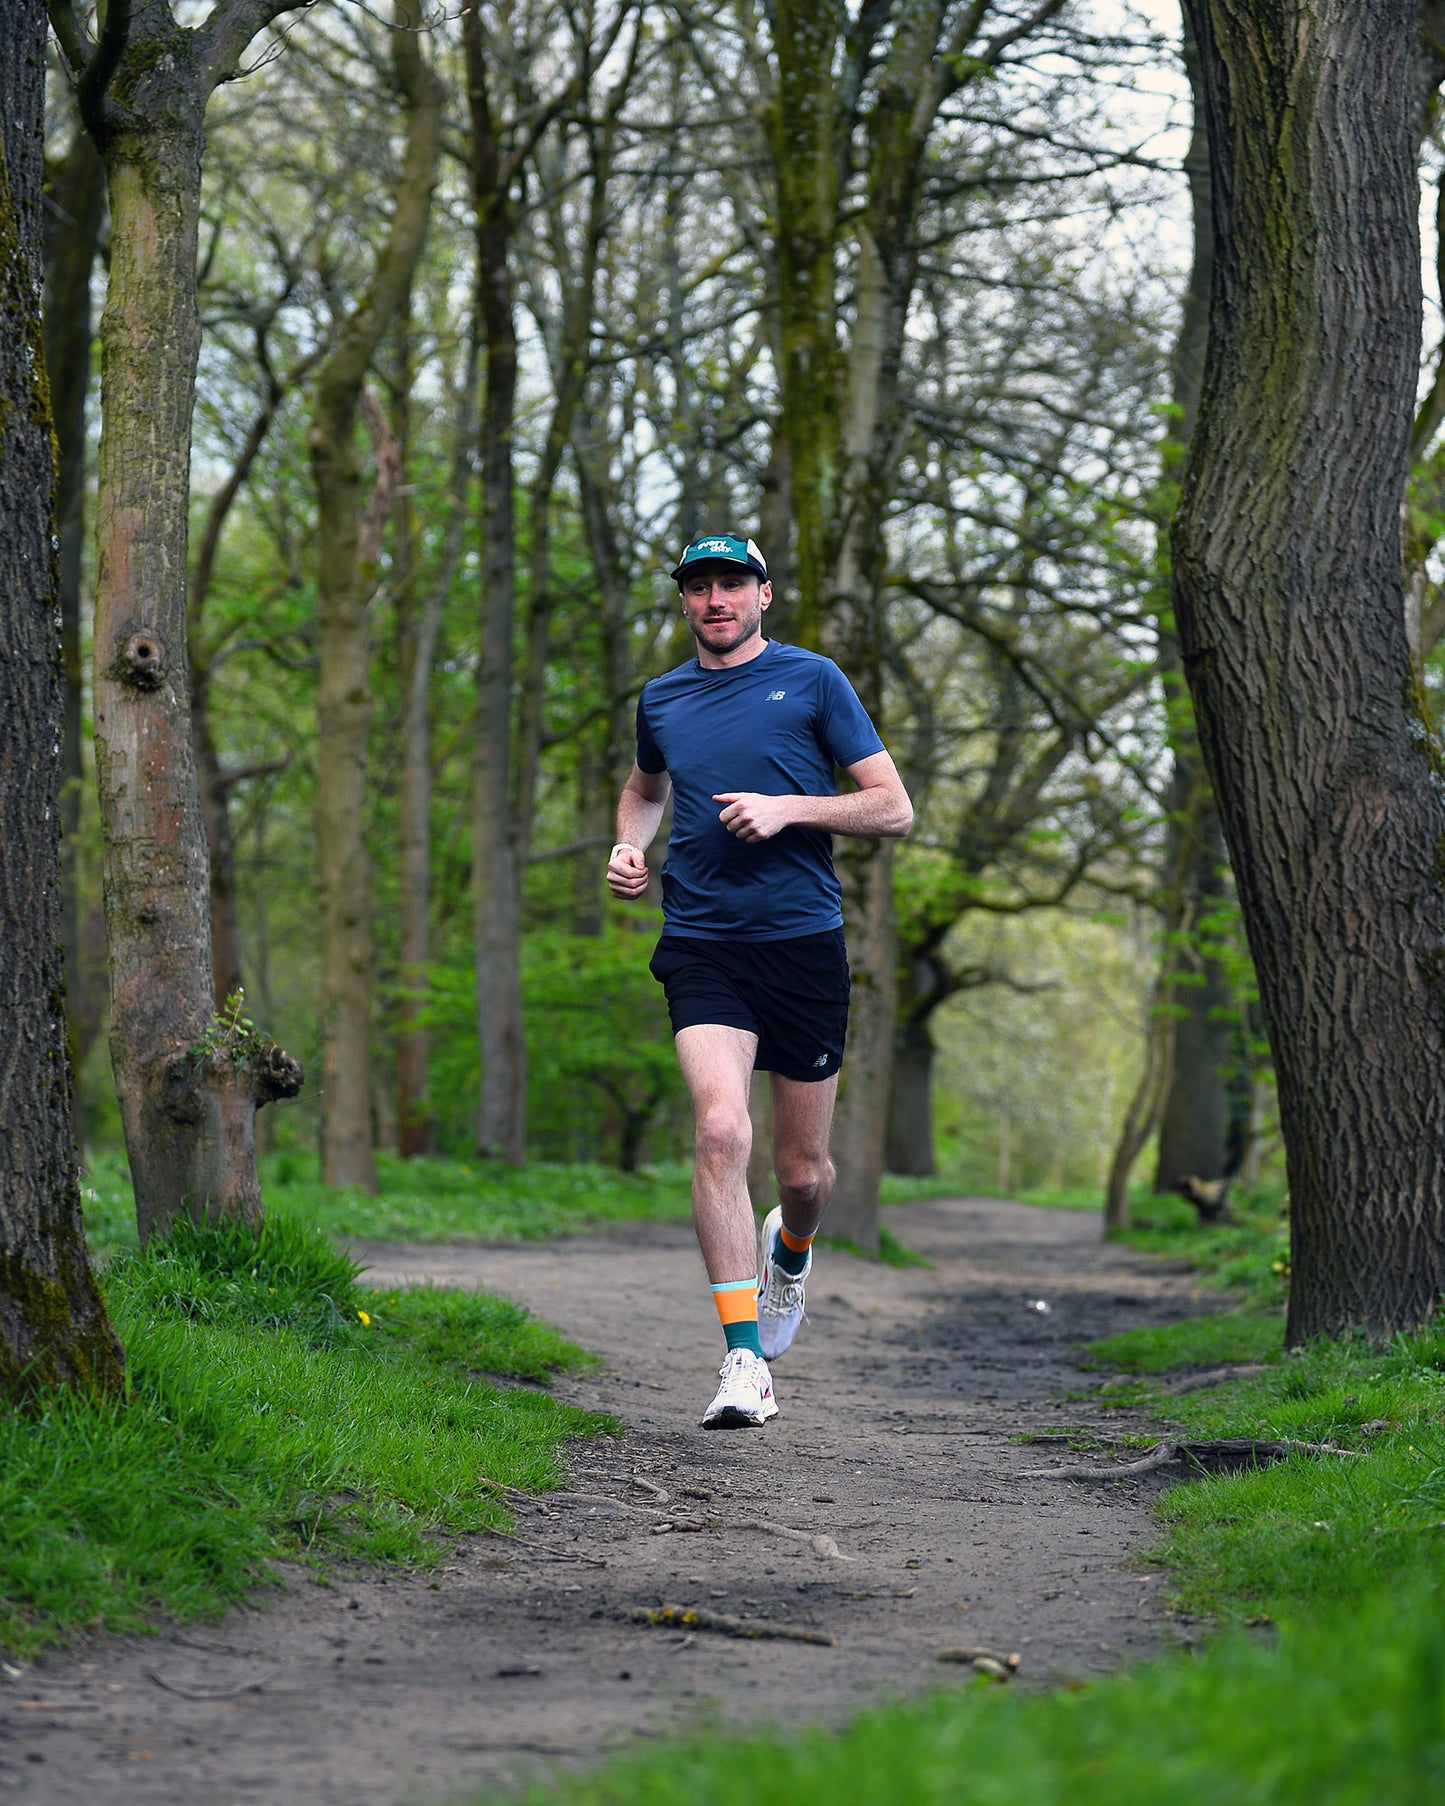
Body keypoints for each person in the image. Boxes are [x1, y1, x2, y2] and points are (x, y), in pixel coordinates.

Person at [607, 532, 912, 1428]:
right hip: (701, 942)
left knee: (802, 1173)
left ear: (762, 595)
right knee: (718, 1131)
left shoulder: (813, 681)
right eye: (699, 586)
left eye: (731, 584)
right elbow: (645, 789)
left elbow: (893, 807)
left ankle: (792, 1251)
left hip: (801, 945)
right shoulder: (662, 696)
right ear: (684, 600)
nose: (715, 600)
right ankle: (743, 1361)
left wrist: (789, 810)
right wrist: (629, 845)